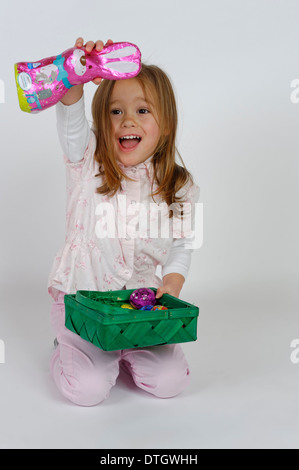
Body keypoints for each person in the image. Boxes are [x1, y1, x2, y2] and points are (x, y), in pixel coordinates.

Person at [48, 37, 199, 406]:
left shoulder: (180, 185)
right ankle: (66, 346)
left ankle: (126, 353)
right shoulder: (88, 161)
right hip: (84, 299)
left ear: (165, 125)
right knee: (87, 391)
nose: (127, 119)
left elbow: (183, 243)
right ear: (102, 120)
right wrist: (75, 80)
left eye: (142, 110)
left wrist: (172, 285)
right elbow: (71, 121)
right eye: (116, 111)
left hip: (139, 304)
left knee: (170, 382)